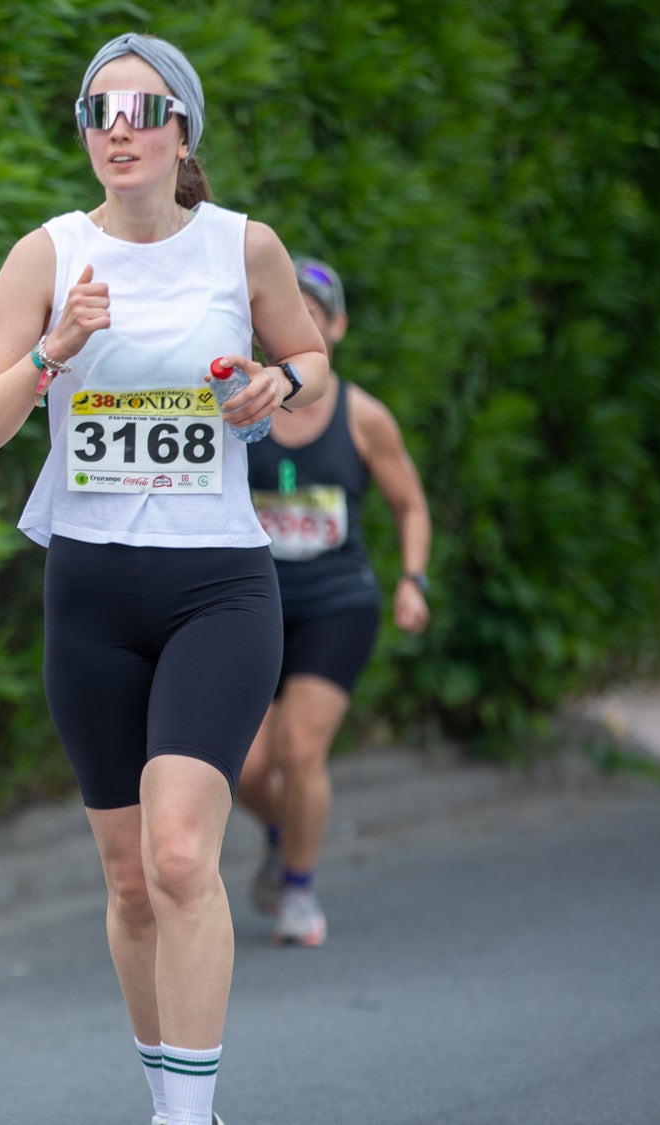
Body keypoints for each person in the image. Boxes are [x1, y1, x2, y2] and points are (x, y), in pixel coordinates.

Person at [0, 32, 330, 1125]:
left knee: (177, 856)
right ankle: (165, 1090)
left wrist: (272, 382)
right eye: (96, 110)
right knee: (126, 878)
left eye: (140, 108)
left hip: (216, 582)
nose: (116, 125)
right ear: (83, 134)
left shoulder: (240, 247)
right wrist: (51, 351)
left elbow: (308, 363)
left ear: (180, 131)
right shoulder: (47, 254)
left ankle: (186, 1117)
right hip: (91, 589)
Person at [237, 257, 432, 948]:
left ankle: (297, 890)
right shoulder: (238, 403)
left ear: (334, 328)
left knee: (299, 748)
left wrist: (414, 579)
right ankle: (285, 831)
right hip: (251, 604)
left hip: (336, 602)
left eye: (314, 312)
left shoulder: (363, 416)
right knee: (244, 763)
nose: (300, 322)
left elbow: (409, 503)